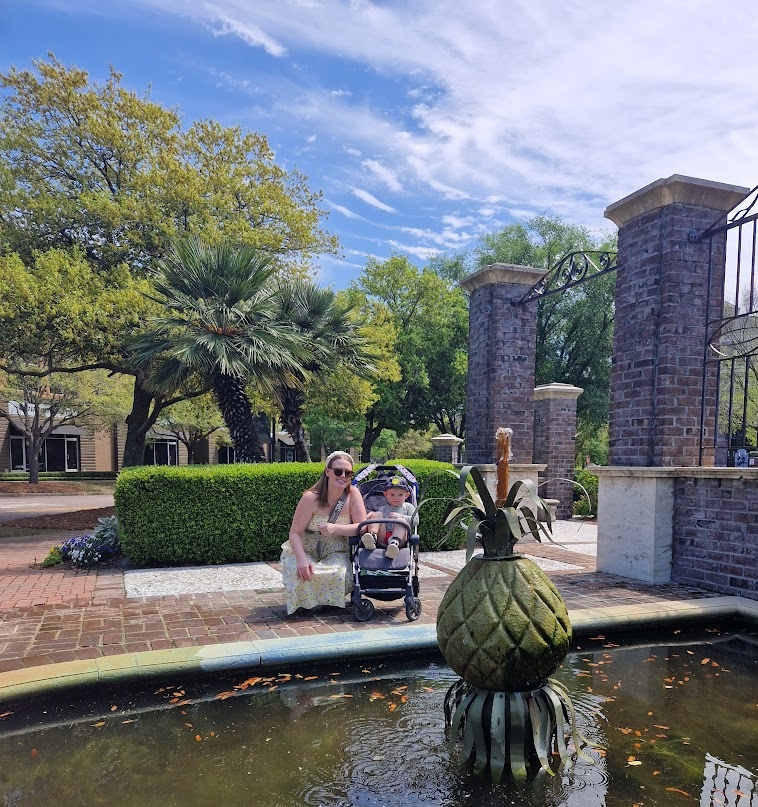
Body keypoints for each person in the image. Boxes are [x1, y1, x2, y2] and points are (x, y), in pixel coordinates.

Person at [281, 451, 367, 615]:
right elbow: (295, 533)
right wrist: (301, 559)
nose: (343, 476)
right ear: (327, 472)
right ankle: (306, 604)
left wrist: (335, 528)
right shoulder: (310, 498)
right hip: (307, 548)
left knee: (339, 573)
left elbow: (362, 527)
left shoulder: (353, 494)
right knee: (301, 571)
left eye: (348, 473)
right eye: (338, 471)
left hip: (337, 550)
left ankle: (329, 602)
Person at [360, 475, 415, 559]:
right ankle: (372, 537)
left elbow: (416, 521)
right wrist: (372, 515)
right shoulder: (382, 508)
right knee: (377, 515)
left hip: (400, 539)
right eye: (392, 494)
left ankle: (394, 545)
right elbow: (375, 520)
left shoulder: (408, 507)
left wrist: (399, 516)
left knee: (400, 520)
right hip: (382, 537)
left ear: (406, 495)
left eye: (400, 495)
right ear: (386, 495)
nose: (396, 498)